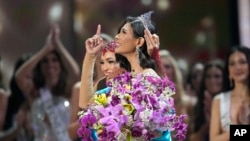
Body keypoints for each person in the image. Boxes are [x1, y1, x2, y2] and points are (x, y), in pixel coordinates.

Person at [15, 25, 80, 141]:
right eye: (45, 61)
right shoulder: (34, 91)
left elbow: (75, 72)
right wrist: (46, 49)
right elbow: (19, 76)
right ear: (40, 67)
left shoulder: (67, 90)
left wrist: (58, 45)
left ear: (60, 65)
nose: (50, 64)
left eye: (54, 60)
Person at [210, 45, 250, 141]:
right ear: (228, 72)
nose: (238, 67)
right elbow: (214, 139)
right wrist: (241, 128)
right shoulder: (219, 100)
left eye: (242, 62)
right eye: (232, 64)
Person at [190, 59, 224, 141]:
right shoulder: (199, 105)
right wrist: (207, 125)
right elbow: (193, 139)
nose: (212, 81)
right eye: (208, 77)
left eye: (217, 76)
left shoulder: (232, 102)